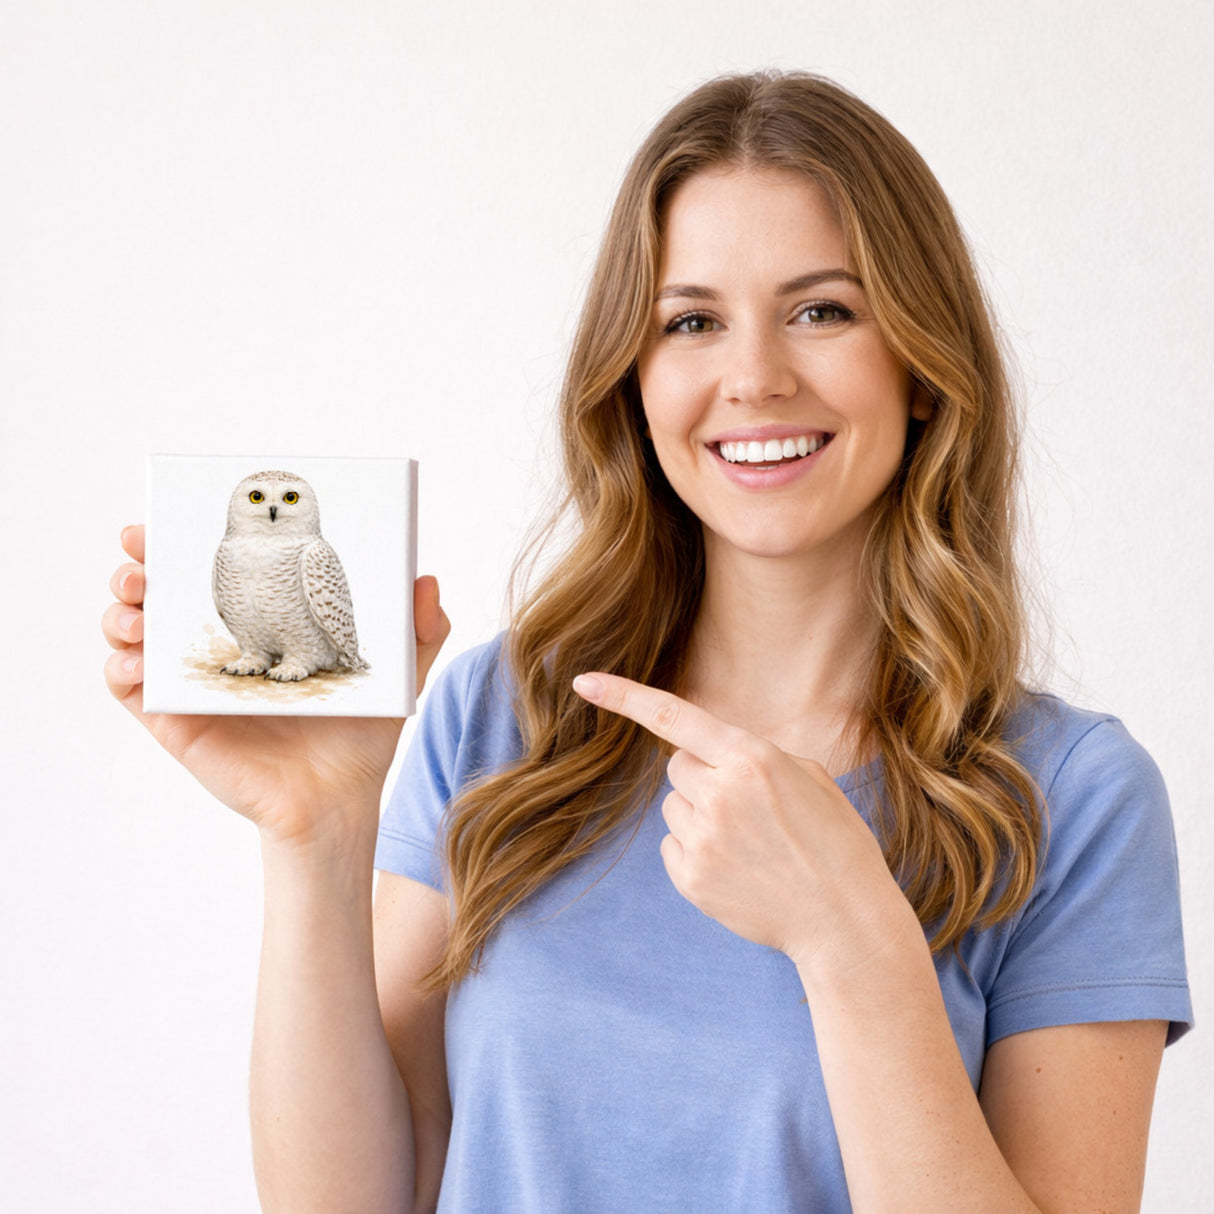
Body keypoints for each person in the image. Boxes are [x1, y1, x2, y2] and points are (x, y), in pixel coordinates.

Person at [103, 71, 1191, 1213]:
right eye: (691, 322)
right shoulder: (499, 716)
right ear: (633, 377)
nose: (754, 377)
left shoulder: (1073, 797)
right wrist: (317, 838)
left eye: (822, 310)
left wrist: (849, 938)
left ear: (922, 366)